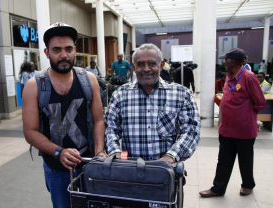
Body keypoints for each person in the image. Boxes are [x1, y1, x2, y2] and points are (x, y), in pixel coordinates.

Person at [22, 22, 106, 208]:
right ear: (46, 52)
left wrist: (100, 151)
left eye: (68, 49)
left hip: (89, 164)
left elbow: (99, 120)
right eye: (56, 50)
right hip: (56, 169)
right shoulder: (35, 86)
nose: (63, 55)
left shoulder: (89, 80)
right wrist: (58, 152)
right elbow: (30, 131)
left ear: (75, 50)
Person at [105, 43, 201, 163]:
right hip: (129, 170)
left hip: (165, 171)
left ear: (161, 65)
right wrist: (117, 153)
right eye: (140, 64)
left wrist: (170, 157)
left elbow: (191, 130)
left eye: (152, 63)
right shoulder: (120, 94)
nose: (146, 69)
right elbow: (110, 128)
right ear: (134, 67)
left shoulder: (181, 94)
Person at [199, 48, 266, 198]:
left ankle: (248, 185)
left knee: (245, 160)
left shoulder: (249, 78)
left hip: (244, 130)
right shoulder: (228, 77)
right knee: (223, 161)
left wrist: (247, 117)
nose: (224, 62)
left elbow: (260, 102)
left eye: (226, 60)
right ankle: (218, 189)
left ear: (233, 62)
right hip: (227, 129)